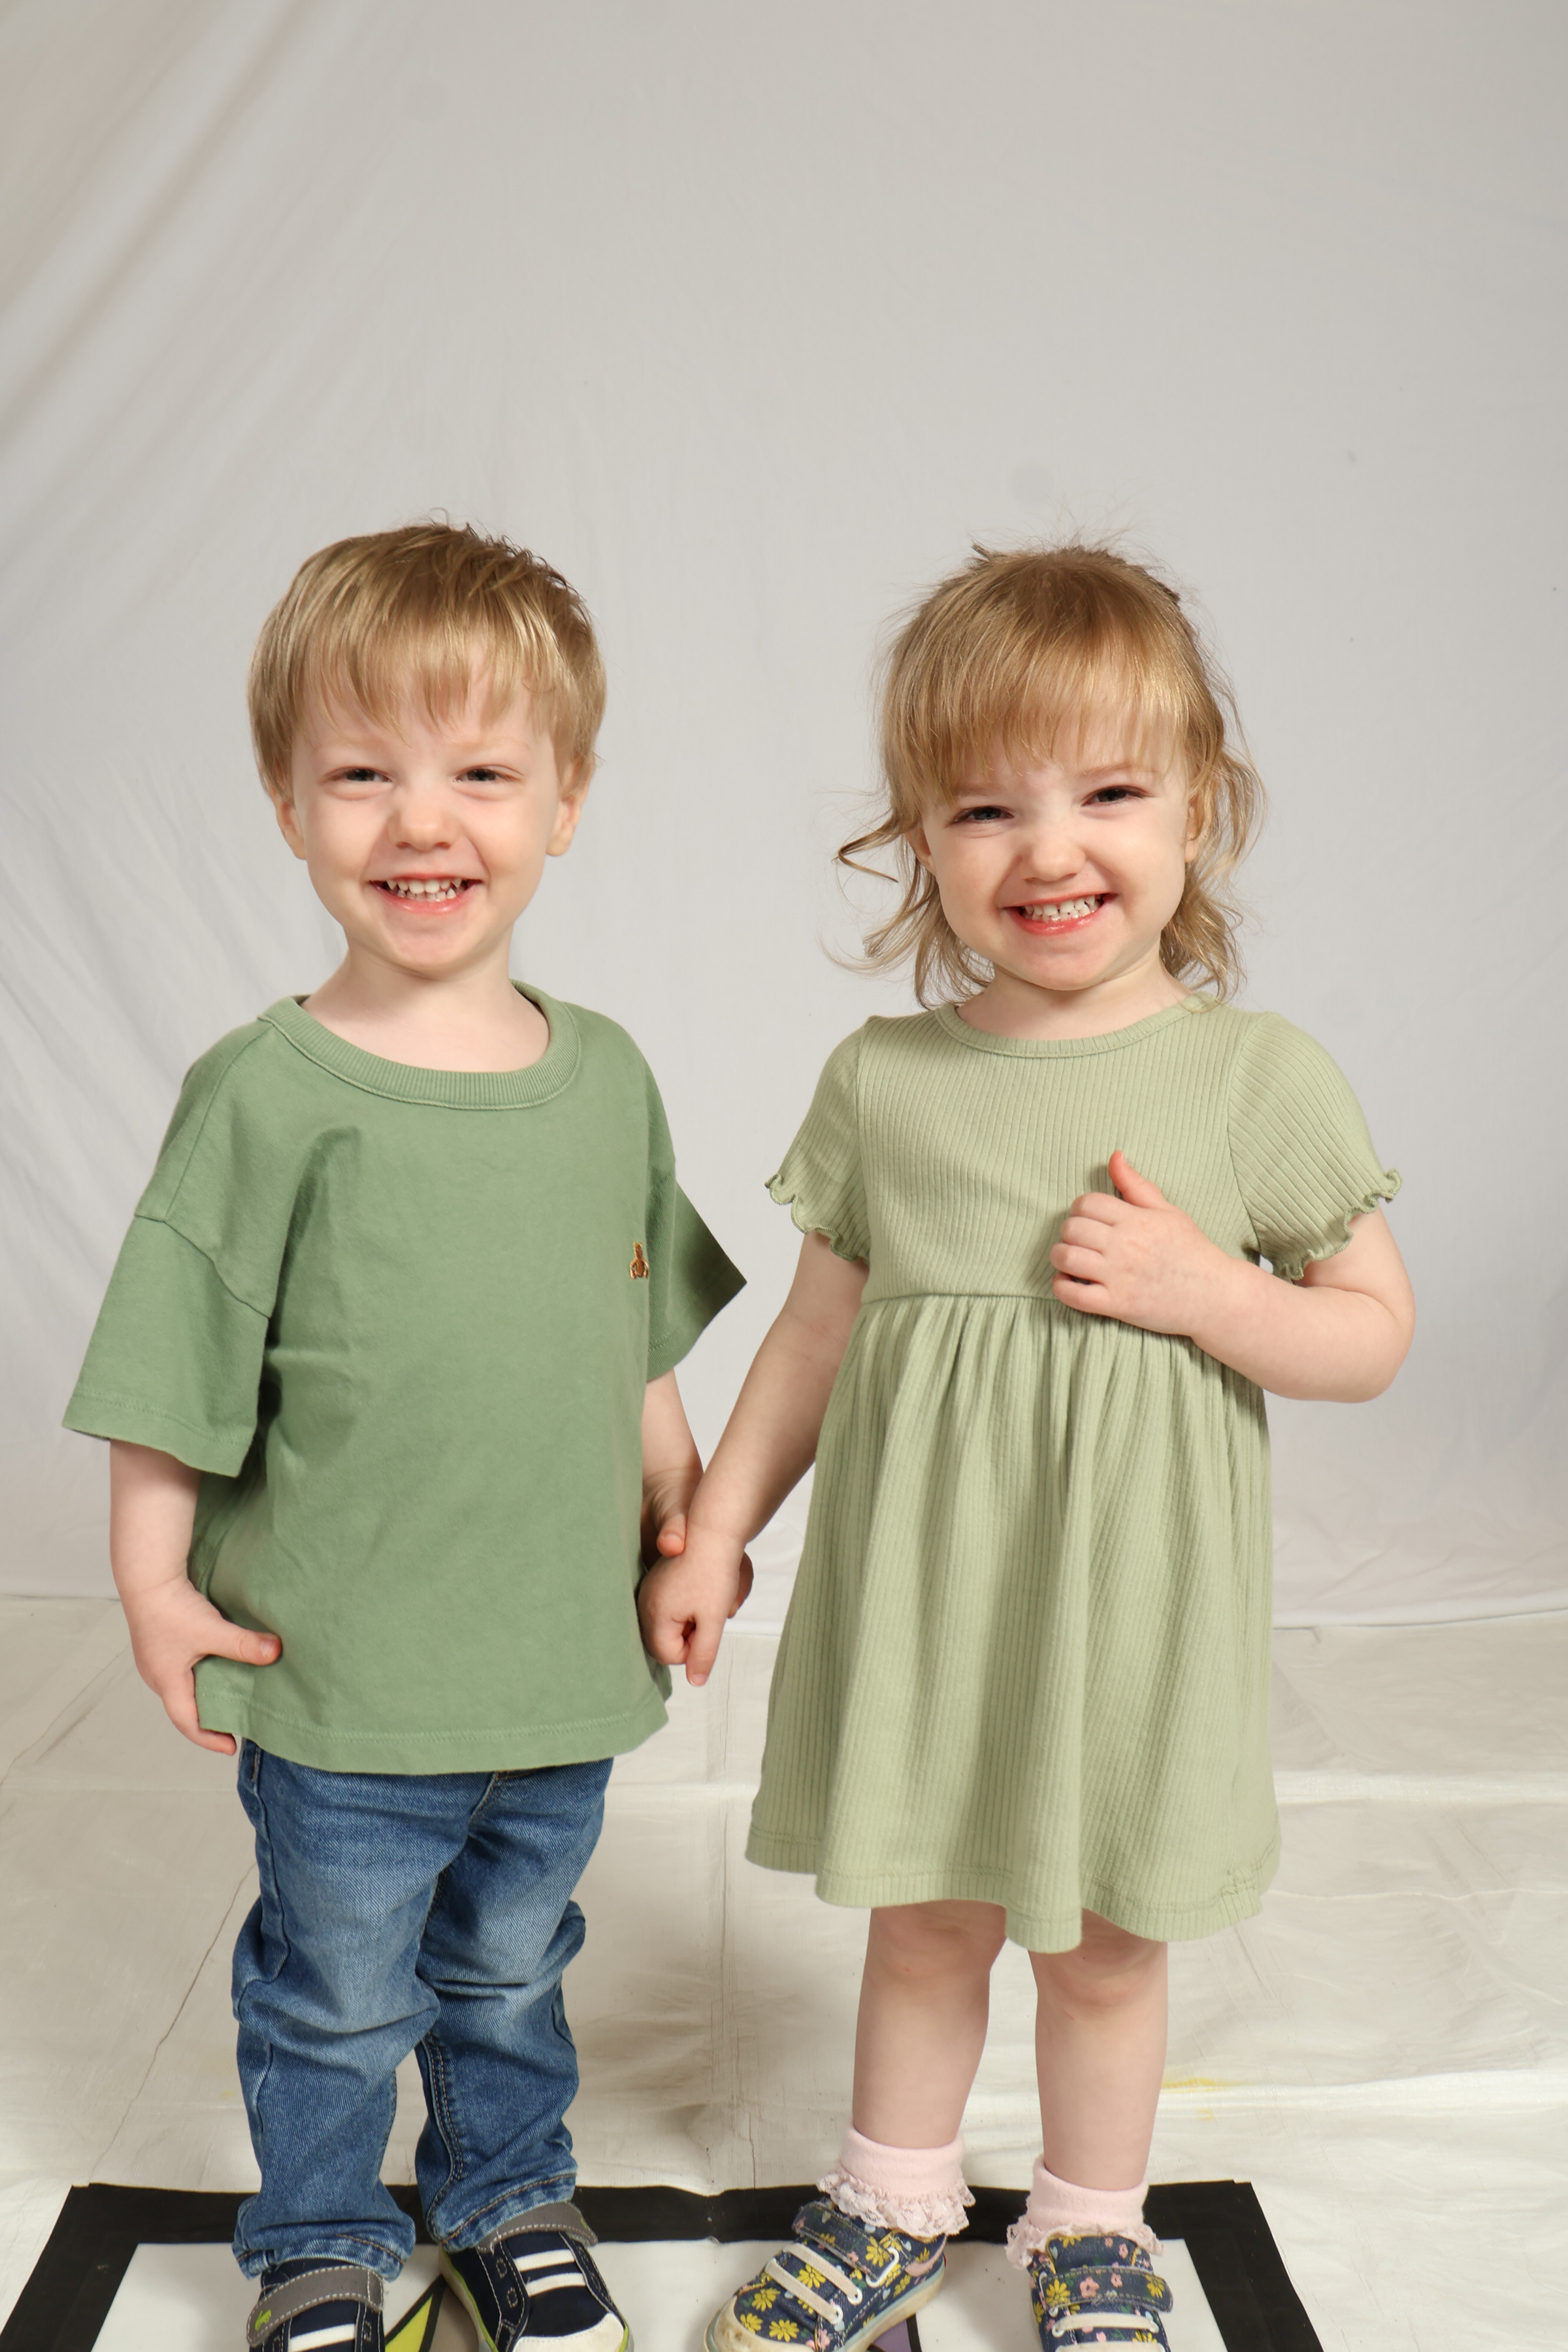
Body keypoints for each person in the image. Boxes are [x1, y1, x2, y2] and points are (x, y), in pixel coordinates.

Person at [638, 545, 1414, 2352]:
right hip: (933, 1598)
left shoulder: (1255, 1079)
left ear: (1202, 810)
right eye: (987, 807)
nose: (1048, 849)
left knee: (1107, 1940)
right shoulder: (887, 1082)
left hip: (1132, 1609)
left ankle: (1090, 2227)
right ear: (921, 840)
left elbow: (1370, 1332)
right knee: (924, 1918)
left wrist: (1212, 1293)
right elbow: (811, 1339)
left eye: (1110, 794)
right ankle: (892, 2199)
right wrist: (719, 1528)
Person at [64, 524, 743, 2352]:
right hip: (345, 1678)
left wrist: (684, 1505)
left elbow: (633, 1329)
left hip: (558, 1666)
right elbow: (169, 1370)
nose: (420, 822)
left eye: (481, 775)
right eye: (363, 774)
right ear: (289, 803)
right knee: (339, 1989)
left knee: (514, 1967)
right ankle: (317, 2234)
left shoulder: (606, 1076)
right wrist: (153, 1585)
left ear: (567, 801)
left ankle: (509, 2192)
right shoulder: (265, 1093)